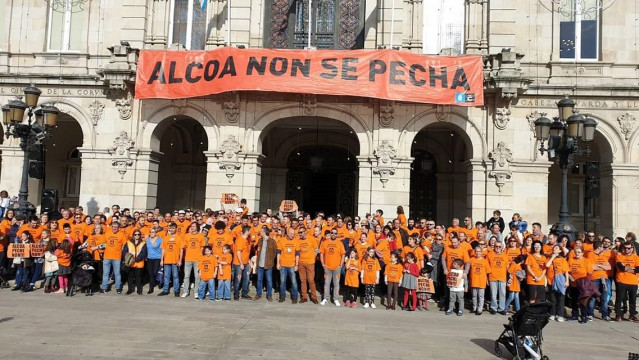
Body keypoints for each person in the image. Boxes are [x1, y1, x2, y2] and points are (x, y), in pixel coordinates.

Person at [587, 241, 612, 321]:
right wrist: (603, 267)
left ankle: (605, 315)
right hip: (594, 279)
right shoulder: (590, 254)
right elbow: (592, 267)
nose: (603, 248)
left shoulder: (602, 255)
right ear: (599, 247)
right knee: (593, 298)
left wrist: (599, 265)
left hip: (604, 279)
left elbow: (609, 267)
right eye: (602, 247)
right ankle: (590, 314)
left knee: (604, 298)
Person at [613, 242, 639, 322]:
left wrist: (626, 268)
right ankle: (618, 315)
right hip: (621, 280)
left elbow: (638, 269)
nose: (627, 250)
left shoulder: (636, 258)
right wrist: (632, 269)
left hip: (633, 282)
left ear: (632, 248)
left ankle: (632, 315)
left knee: (632, 300)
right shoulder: (619, 256)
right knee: (619, 299)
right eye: (625, 248)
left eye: (629, 248)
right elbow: (621, 267)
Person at [319, 229, 346, 306]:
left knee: (336, 284)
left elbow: (343, 254)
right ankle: (325, 298)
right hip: (327, 267)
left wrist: (341, 264)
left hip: (337, 268)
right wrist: (323, 264)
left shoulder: (340, 243)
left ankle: (336, 299)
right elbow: (321, 254)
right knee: (326, 283)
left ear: (337, 234)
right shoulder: (325, 243)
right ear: (330, 234)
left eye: (335, 233)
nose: (333, 234)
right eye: (332, 233)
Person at [567, 247, 593, 323]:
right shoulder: (571, 260)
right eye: (576, 252)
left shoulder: (586, 261)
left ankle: (584, 316)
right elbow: (567, 271)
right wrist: (570, 277)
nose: (577, 254)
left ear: (582, 253)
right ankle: (574, 315)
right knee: (574, 300)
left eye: (579, 252)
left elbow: (589, 273)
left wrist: (584, 281)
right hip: (573, 284)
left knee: (583, 301)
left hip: (583, 285)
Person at [158, 222, 183, 297]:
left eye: (173, 228)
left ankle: (176, 291)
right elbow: (163, 249)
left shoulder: (179, 238)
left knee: (175, 276)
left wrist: (180, 260)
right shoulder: (166, 238)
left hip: (175, 260)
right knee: (166, 276)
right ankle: (165, 290)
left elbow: (181, 250)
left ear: (176, 229)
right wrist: (161, 260)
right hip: (166, 260)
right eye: (170, 228)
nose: (172, 229)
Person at [181, 222, 205, 298]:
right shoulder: (187, 236)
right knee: (186, 276)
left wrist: (200, 257)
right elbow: (184, 246)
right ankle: (185, 291)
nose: (192, 227)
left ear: (197, 227)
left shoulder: (201, 236)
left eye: (194, 226)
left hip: (197, 259)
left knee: (197, 276)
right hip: (188, 258)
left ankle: (196, 291)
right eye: (191, 226)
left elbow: (202, 247)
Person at [546, 245, 569, 322]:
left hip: (560, 282)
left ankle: (560, 315)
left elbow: (566, 271)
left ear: (560, 251)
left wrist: (567, 281)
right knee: (553, 299)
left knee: (561, 299)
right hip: (551, 281)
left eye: (556, 248)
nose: (554, 249)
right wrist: (553, 257)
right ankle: (552, 314)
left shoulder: (563, 260)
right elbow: (547, 265)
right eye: (554, 248)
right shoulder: (549, 258)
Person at [277, 228, 300, 303]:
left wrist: (296, 265)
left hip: (292, 264)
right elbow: (278, 253)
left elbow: (297, 254)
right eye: (291, 234)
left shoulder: (296, 241)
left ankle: (295, 297)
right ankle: (282, 296)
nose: (292, 235)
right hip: (283, 264)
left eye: (293, 234)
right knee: (282, 281)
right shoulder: (282, 240)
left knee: (293, 282)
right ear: (287, 233)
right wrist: (278, 263)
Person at [254, 226, 277, 302]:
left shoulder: (272, 241)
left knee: (269, 280)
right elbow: (258, 250)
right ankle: (258, 294)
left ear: (264, 232)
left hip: (268, 264)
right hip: (260, 264)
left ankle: (269, 295)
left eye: (261, 231)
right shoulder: (260, 240)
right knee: (259, 280)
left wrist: (270, 261)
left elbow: (274, 253)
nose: (260, 232)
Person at [298, 226, 319, 304]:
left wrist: (312, 257)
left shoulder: (311, 239)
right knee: (303, 281)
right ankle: (304, 297)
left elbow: (316, 250)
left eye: (301, 232)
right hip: (301, 263)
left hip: (310, 263)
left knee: (311, 280)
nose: (300, 234)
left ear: (305, 232)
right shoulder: (298, 240)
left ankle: (314, 297)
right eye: (299, 232)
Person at [487, 240, 508, 315]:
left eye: (499, 246)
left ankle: (501, 308)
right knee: (493, 294)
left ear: (502, 246)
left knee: (502, 294)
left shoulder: (505, 255)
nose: (498, 248)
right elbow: (487, 267)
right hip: (493, 277)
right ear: (494, 246)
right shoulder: (489, 254)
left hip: (502, 277)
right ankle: (493, 308)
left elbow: (507, 267)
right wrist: (487, 278)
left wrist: (509, 278)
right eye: (496, 246)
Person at [470, 246, 491, 315]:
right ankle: (474, 307)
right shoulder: (472, 259)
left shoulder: (485, 261)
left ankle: (480, 309)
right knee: (474, 296)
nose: (477, 253)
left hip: (481, 281)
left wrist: (488, 280)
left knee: (481, 296)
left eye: (479, 251)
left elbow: (488, 272)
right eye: (476, 251)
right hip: (474, 280)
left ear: (481, 252)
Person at [232, 225, 252, 300]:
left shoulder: (246, 240)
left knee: (246, 279)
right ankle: (236, 294)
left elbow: (246, 252)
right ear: (246, 231)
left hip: (246, 262)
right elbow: (238, 252)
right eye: (249, 231)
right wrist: (241, 263)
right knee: (238, 279)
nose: (250, 232)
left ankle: (244, 293)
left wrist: (248, 260)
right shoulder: (240, 240)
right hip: (239, 263)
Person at [145, 228, 163, 294]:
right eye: (150, 232)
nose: (151, 233)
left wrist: (162, 259)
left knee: (155, 272)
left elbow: (162, 250)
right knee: (150, 273)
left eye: (153, 232)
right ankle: (151, 288)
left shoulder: (160, 240)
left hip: (157, 258)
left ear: (156, 233)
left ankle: (156, 281)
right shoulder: (147, 240)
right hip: (149, 258)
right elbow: (145, 249)